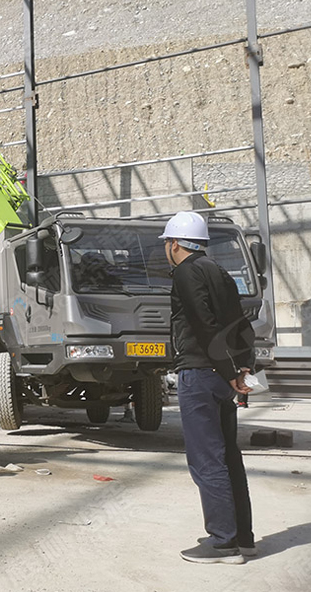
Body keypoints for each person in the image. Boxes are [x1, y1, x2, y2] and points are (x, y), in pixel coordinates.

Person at [162, 211, 256, 565]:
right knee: (228, 456)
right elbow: (240, 323)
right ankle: (242, 537)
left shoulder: (186, 272)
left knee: (206, 459)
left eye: (167, 244)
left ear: (174, 244)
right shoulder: (220, 272)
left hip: (200, 373)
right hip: (220, 376)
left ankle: (222, 543)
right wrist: (242, 366)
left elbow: (203, 323)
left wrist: (228, 369)